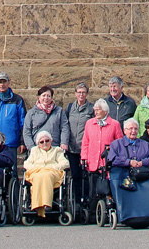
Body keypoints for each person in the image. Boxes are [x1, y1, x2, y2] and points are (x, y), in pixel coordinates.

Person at [108, 118, 149, 228]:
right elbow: (112, 159)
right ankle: (125, 214)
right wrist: (128, 162)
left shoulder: (145, 144)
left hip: (141, 173)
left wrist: (142, 163)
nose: (133, 131)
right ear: (124, 130)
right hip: (122, 173)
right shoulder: (116, 144)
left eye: (135, 129)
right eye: (130, 129)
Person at [23, 131, 70, 218]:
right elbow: (26, 164)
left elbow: (65, 163)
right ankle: (37, 205)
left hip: (52, 172)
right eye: (41, 142)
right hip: (37, 172)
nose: (44, 143)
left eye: (47, 140)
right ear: (38, 144)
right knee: (38, 176)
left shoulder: (57, 150)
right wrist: (36, 168)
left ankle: (46, 204)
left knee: (47, 175)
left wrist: (54, 167)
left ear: (51, 141)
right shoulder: (34, 150)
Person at [66, 82, 94, 211]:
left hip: (85, 148)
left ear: (87, 94)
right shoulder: (70, 107)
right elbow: (65, 126)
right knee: (75, 175)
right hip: (72, 148)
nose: (81, 95)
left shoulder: (91, 109)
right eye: (79, 92)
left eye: (83, 92)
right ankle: (76, 200)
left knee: (86, 175)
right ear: (75, 93)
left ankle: (86, 199)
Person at [23, 86, 70, 151]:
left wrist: (64, 143)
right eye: (44, 95)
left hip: (54, 148)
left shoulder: (59, 111)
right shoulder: (31, 113)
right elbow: (26, 132)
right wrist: (32, 148)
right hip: (37, 149)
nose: (46, 98)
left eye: (48, 96)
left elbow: (65, 128)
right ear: (39, 97)